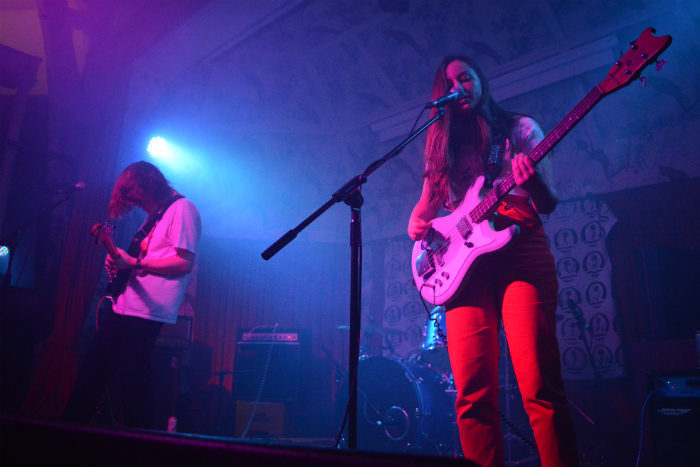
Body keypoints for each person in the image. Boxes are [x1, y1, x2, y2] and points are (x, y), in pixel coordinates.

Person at [408, 56, 578, 467]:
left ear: (480, 81)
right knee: (471, 395)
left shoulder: (520, 130)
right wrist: (417, 224)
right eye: (450, 82)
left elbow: (548, 202)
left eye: (466, 77)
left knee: (538, 385)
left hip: (520, 251)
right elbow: (425, 211)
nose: (460, 86)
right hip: (464, 268)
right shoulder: (441, 146)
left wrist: (532, 179)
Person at [62, 161, 201, 429]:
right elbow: (145, 258)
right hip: (127, 304)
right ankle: (68, 431)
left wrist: (135, 264)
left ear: (150, 185)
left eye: (138, 198)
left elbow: (184, 263)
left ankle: (140, 443)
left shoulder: (183, 209)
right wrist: (119, 262)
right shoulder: (158, 214)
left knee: (133, 377)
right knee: (95, 369)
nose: (137, 204)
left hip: (148, 309)